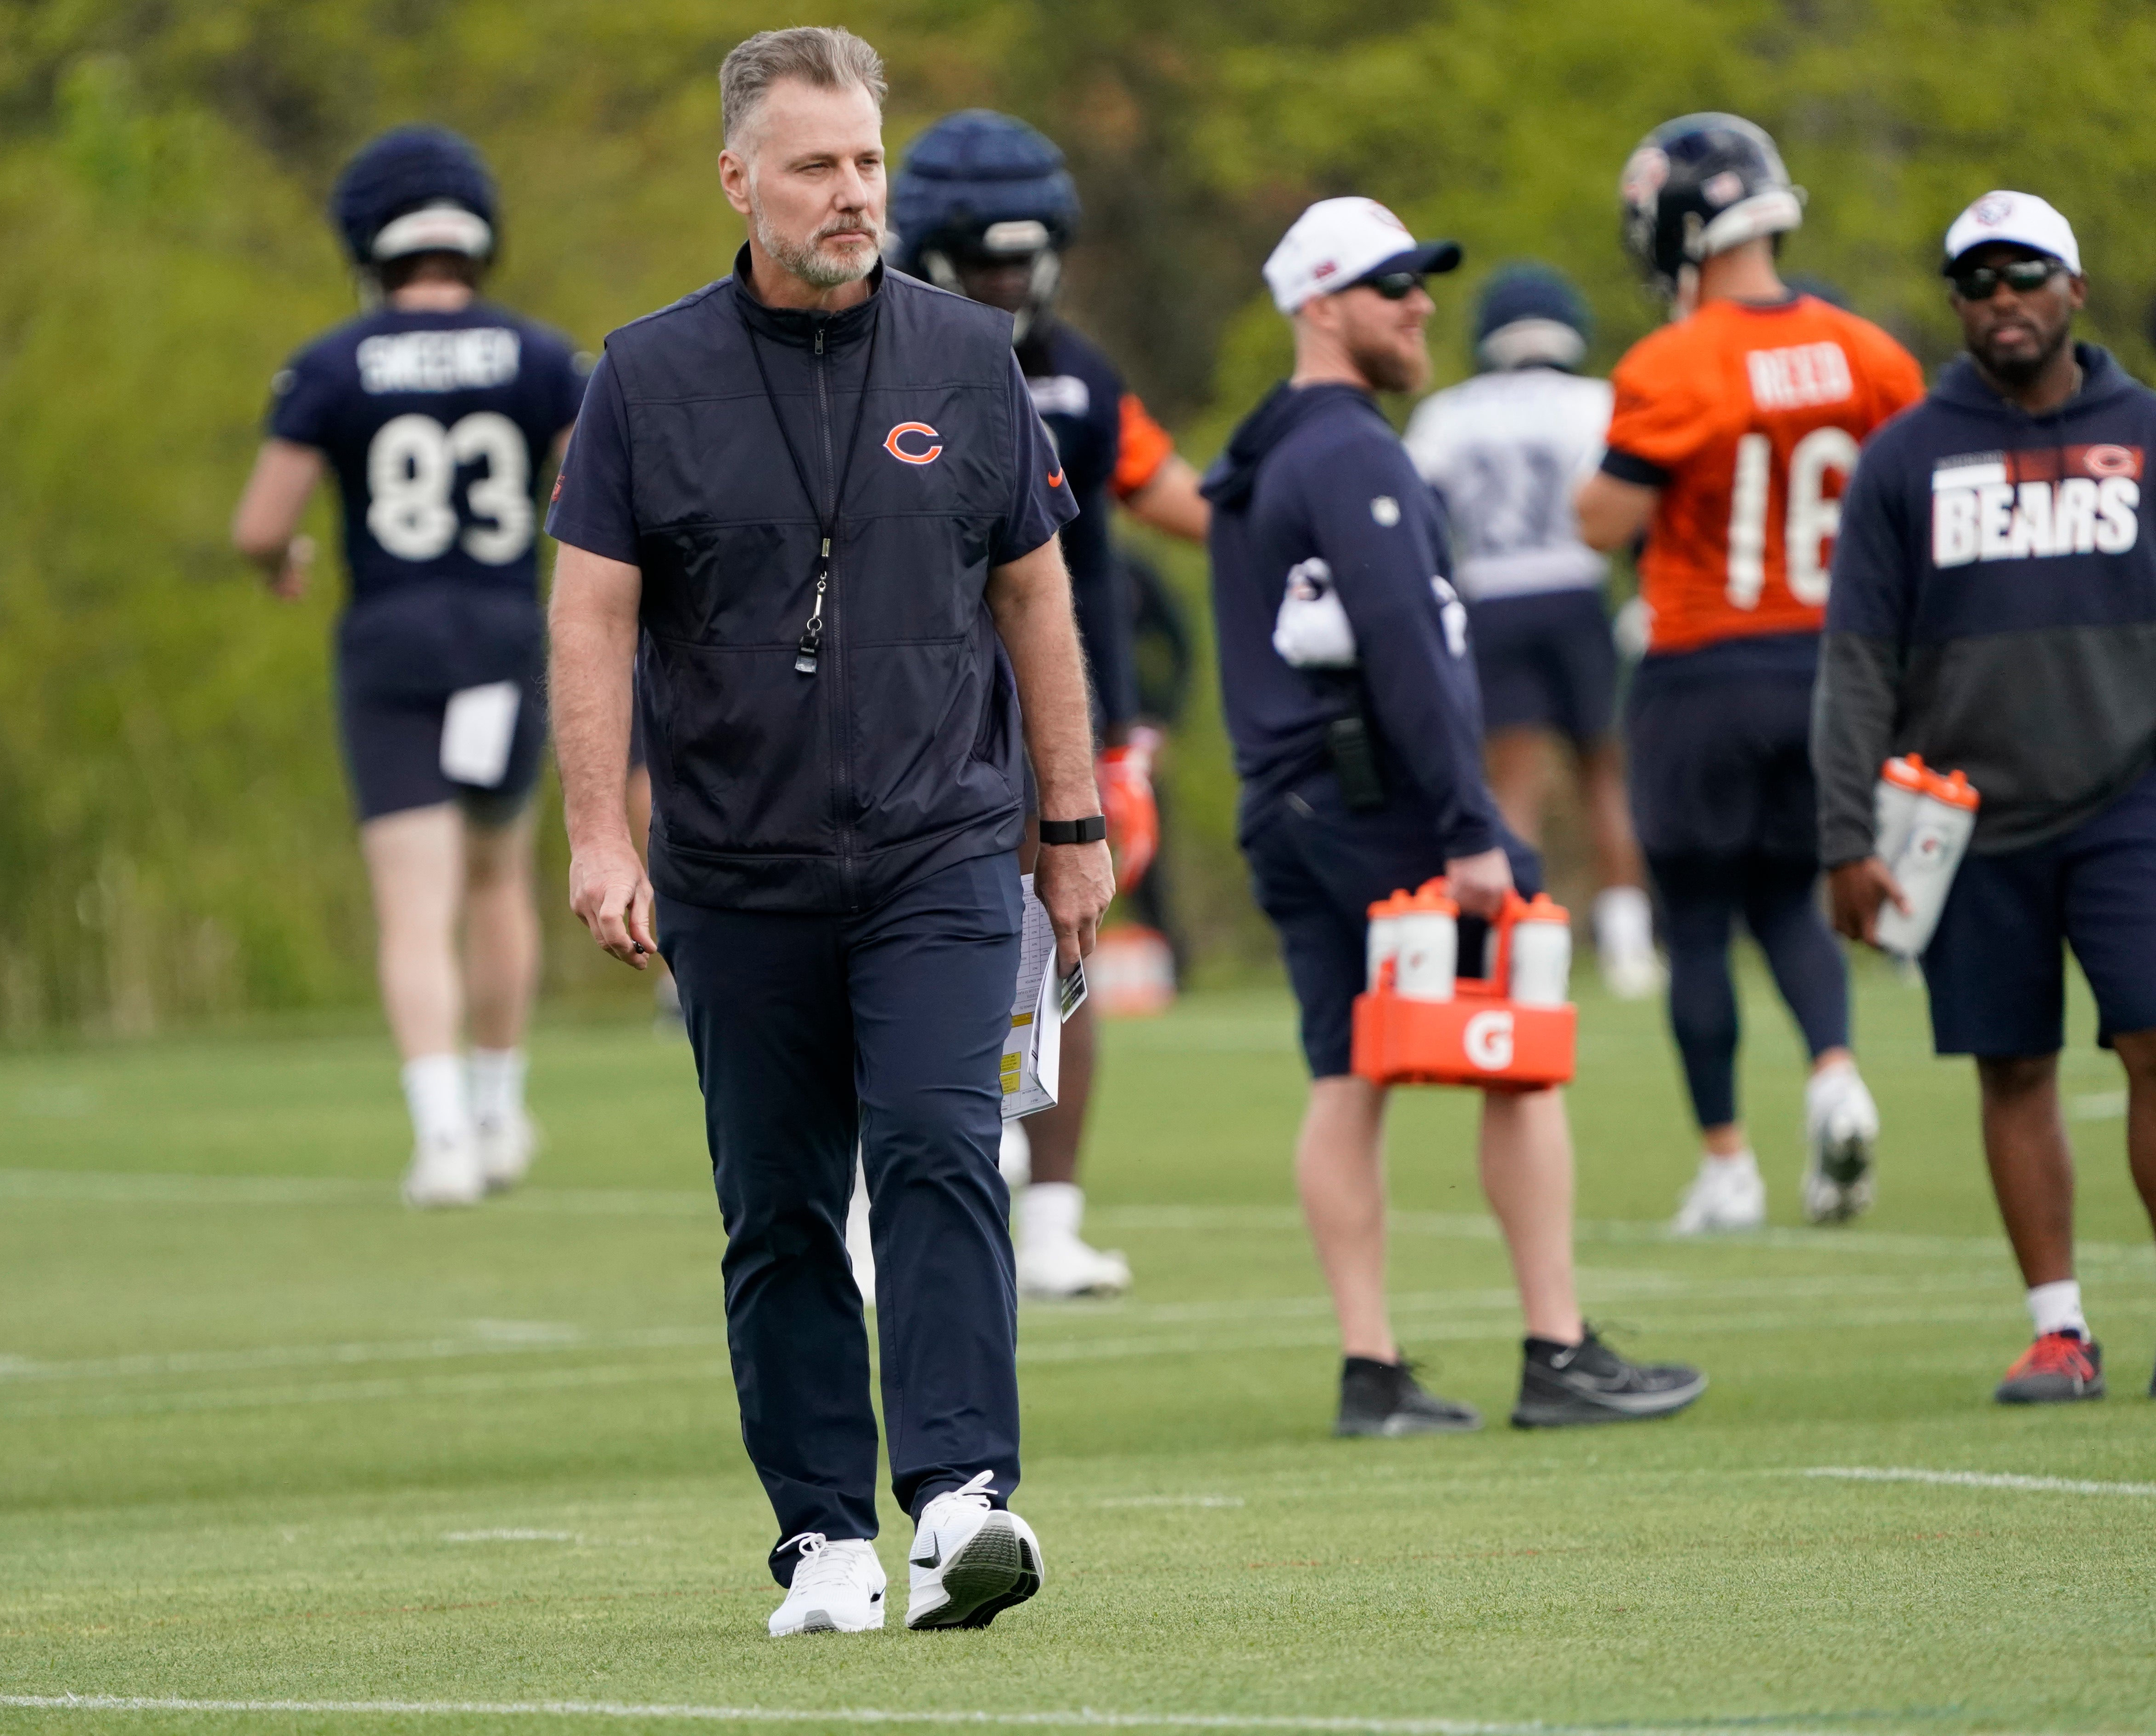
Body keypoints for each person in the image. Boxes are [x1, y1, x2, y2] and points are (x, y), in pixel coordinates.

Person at [545, 27, 1105, 1635]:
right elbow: (589, 619)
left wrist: (1066, 822)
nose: (852, 192)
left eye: (867, 162)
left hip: (942, 848)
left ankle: (959, 1500)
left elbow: (1033, 591)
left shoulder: (965, 354)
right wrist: (600, 837)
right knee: (781, 1205)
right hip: (733, 867)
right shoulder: (646, 374)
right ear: (740, 182)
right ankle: (821, 1539)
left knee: (939, 1148)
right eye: (816, 166)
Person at [1206, 195, 1704, 1439]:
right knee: (1523, 1055)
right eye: (1391, 285)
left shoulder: (1264, 445)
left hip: (1290, 797)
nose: (1420, 302)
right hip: (1385, 803)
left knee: (1345, 1071)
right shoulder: (1353, 449)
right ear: (1321, 306)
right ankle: (1557, 1346)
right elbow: (1411, 647)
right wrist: (1472, 826)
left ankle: (1370, 1370)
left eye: (1421, 281)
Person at [1817, 191, 2156, 1405]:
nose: (2001, 298)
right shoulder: (1904, 456)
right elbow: (1854, 656)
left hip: (2132, 793)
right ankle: (2057, 1328)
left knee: (2152, 1041)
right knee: (2010, 1065)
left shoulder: (2147, 432)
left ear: (2075, 287)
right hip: (1962, 816)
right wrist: (1845, 832)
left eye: (2024, 274)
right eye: (1975, 280)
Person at [1573, 113, 1922, 1233]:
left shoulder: (1674, 361)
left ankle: (1727, 1162)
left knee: (1698, 914)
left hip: (1702, 666)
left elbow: (1601, 521)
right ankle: (1833, 1073)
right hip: (1833, 666)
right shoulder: (1872, 354)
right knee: (1792, 893)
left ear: (1675, 225)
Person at [888, 109, 1209, 1299]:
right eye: (985, 263)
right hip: (917, 706)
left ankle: (1056, 1216)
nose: (1008, 284)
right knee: (900, 950)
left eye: (1023, 259)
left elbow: (1183, 499)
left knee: (1064, 945)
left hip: (1064, 714)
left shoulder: (1079, 374)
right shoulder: (882, 360)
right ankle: (885, 1208)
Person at [231, 127, 582, 1208]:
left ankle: (440, 1137)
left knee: (411, 899)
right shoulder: (538, 354)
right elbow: (599, 499)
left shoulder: (334, 363)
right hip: (502, 633)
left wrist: (283, 558)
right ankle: (498, 1106)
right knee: (497, 880)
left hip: (389, 639)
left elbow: (258, 524)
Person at [1403, 264, 1661, 1000]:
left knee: (1510, 782)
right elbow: (1635, 499)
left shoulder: (1449, 415)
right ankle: (1628, 946)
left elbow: (1423, 520)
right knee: (1603, 775)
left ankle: (1516, 944)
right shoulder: (1597, 402)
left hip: (1492, 598)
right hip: (1576, 593)